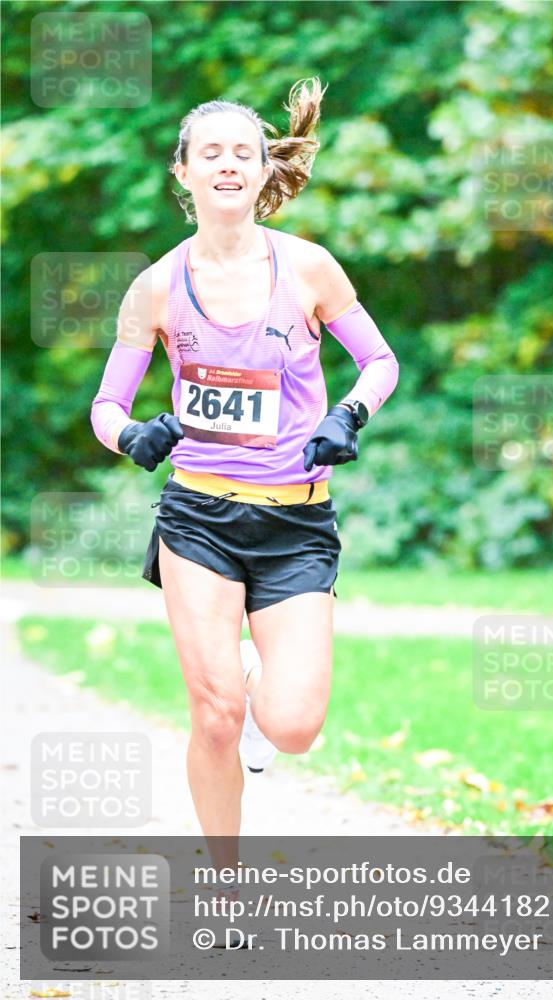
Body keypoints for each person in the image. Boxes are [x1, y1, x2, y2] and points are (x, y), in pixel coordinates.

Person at [90, 78, 399, 901]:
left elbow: (380, 361)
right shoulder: (155, 287)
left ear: (265, 170)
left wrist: (348, 415)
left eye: (243, 152)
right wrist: (132, 437)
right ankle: (223, 881)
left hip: (297, 522)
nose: (228, 164)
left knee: (291, 726)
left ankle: (265, 723)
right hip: (198, 517)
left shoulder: (307, 266)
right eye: (210, 153)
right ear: (183, 173)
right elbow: (106, 406)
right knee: (215, 708)